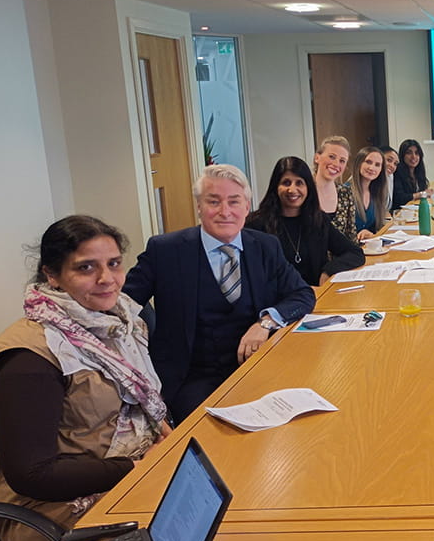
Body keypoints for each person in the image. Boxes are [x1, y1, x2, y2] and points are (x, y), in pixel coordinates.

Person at [0, 215, 170, 541]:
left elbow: (137, 404)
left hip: (128, 472)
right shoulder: (29, 358)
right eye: (86, 268)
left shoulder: (120, 324)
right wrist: (137, 467)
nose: (106, 279)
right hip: (53, 514)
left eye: (113, 264)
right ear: (52, 275)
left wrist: (163, 436)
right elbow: (32, 475)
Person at [124, 164, 315, 423]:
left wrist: (266, 322)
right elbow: (121, 305)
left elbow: (303, 294)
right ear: (199, 207)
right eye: (214, 201)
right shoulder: (165, 250)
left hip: (258, 366)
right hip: (192, 378)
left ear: (247, 207)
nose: (225, 212)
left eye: (234, 202)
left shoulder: (265, 246)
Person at [245, 156, 364, 286]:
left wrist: (328, 272)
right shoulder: (256, 224)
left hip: (317, 296)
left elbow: (355, 252)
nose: (292, 190)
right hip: (280, 301)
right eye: (286, 183)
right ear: (275, 187)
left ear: (308, 187)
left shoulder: (318, 220)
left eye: (299, 183)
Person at [312, 135, 356, 240]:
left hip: (341, 256)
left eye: (342, 161)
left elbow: (351, 235)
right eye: (331, 157)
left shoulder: (345, 192)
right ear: (317, 157)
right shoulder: (303, 191)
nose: (336, 164)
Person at [348, 146, 390, 240]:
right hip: (350, 249)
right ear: (358, 164)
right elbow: (338, 231)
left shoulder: (376, 193)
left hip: (370, 247)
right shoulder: (345, 192)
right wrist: (358, 234)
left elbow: (375, 228)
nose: (372, 168)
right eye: (368, 162)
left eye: (377, 165)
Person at [391, 139, 434, 211]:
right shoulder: (397, 172)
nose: (413, 156)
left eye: (417, 153)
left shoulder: (418, 172)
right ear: (402, 156)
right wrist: (421, 194)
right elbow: (399, 198)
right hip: (400, 213)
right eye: (409, 153)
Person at [380, 145, 398, 210]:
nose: (392, 166)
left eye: (395, 164)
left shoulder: (390, 176)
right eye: (389, 160)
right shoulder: (369, 178)